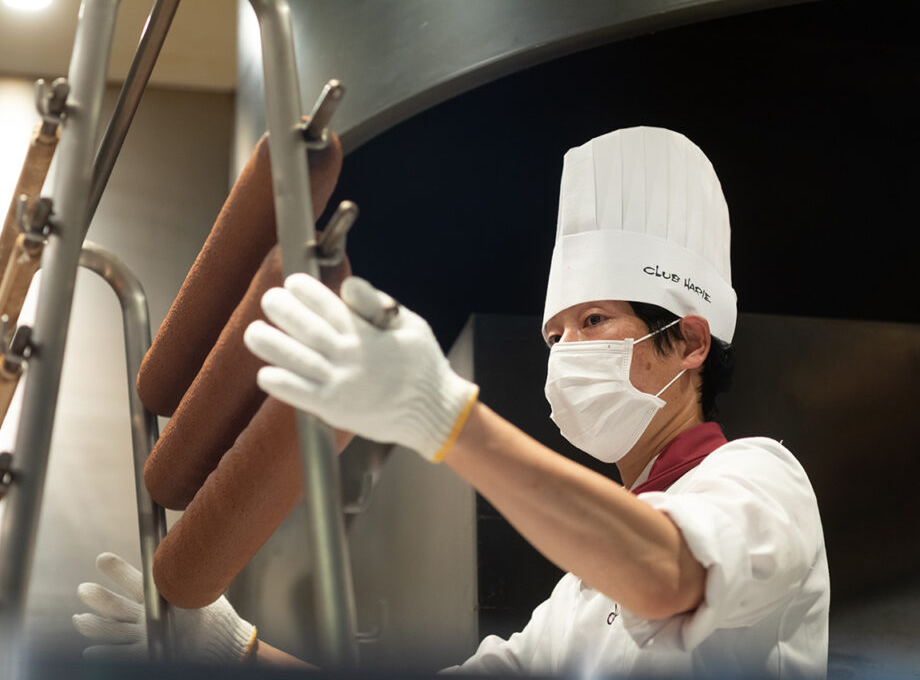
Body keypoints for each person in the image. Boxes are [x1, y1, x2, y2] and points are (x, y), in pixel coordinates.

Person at [74, 127, 829, 677]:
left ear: (690, 342)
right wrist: (231, 651)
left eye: (594, 322)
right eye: (556, 335)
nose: (567, 355)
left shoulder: (763, 481)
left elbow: (670, 576)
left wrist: (445, 415)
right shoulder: (576, 597)